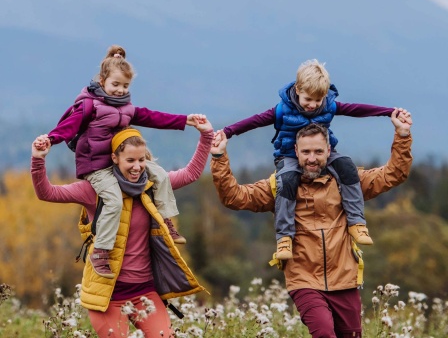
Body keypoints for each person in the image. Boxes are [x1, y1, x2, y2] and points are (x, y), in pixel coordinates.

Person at [211, 109, 412, 338]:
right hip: (304, 280)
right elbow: (234, 197)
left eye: (318, 151)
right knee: (324, 333)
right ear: (296, 151)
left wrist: (403, 135)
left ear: (328, 150)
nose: (312, 158)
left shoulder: (348, 182)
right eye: (306, 152)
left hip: (345, 279)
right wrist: (219, 158)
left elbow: (393, 174)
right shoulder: (279, 186)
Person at [31, 117, 214, 338]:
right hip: (107, 295)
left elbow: (191, 173)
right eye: (130, 160)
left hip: (145, 291)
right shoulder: (94, 190)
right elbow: (47, 193)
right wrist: (38, 159)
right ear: (114, 158)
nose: (137, 167)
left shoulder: (153, 185)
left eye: (141, 160)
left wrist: (206, 136)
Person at [38, 45, 205, 278]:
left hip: (120, 163)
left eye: (125, 86)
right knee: (114, 201)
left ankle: (165, 219)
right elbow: (69, 126)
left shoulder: (127, 107)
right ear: (103, 80)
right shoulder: (89, 105)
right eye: (115, 84)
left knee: (160, 175)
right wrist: (50, 139)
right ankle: (101, 252)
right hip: (96, 167)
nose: (120, 90)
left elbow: (153, 117)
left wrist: (183, 120)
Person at [218, 59, 411, 260]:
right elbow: (255, 121)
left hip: (324, 154)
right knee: (287, 180)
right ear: (298, 89)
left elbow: (356, 109)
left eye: (318, 100)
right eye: (308, 99)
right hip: (289, 156)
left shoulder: (327, 106)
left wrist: (389, 112)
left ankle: (356, 222)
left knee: (346, 166)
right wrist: (228, 132)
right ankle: (285, 237)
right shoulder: (282, 110)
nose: (313, 105)